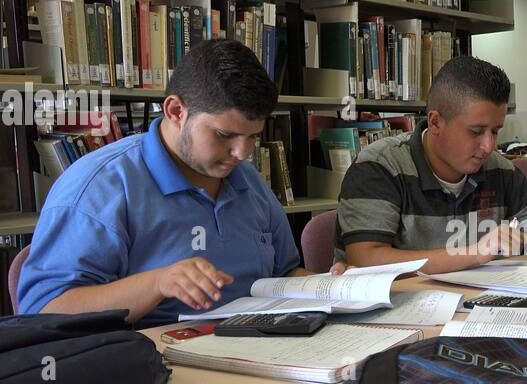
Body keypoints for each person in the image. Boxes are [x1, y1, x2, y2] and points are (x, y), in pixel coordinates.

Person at [18, 40, 343, 328]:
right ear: (175, 111)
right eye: (224, 135)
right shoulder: (99, 188)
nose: (242, 153)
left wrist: (330, 285)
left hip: (259, 343)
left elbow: (283, 275)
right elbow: (44, 314)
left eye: (253, 137)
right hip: (156, 361)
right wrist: (157, 284)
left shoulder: (248, 181)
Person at [335, 56, 527, 273]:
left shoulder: (501, 170)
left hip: (475, 312)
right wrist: (476, 253)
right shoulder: (378, 168)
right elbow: (364, 259)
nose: (489, 146)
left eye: (495, 131)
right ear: (435, 122)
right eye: (476, 131)